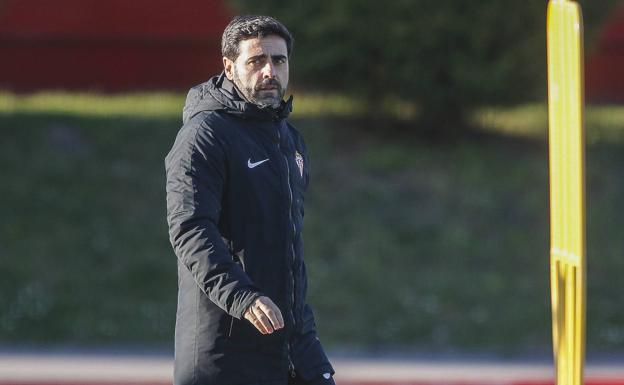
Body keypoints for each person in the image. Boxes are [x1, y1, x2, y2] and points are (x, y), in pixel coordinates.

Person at [165, 15, 335, 385]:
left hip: (293, 342)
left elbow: (287, 247)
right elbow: (190, 228)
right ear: (229, 67)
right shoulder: (204, 136)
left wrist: (300, 323)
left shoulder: (290, 141)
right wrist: (241, 296)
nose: (269, 71)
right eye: (256, 61)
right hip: (227, 346)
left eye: (278, 60)